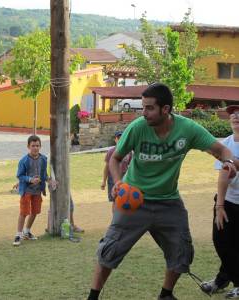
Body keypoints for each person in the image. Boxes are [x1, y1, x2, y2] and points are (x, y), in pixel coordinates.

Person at [87, 83, 238, 300]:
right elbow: (115, 158)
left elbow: (220, 150)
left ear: (165, 109)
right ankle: (93, 296)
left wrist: (229, 161)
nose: (143, 113)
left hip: (168, 201)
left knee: (182, 250)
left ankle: (166, 294)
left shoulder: (187, 129)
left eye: (149, 108)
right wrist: (119, 182)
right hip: (134, 201)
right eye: (143, 107)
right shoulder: (138, 127)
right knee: (110, 249)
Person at [201, 105, 239, 299]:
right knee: (223, 242)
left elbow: (232, 167)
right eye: (233, 113)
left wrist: (233, 163)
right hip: (229, 202)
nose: (236, 116)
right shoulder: (226, 143)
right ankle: (223, 279)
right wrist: (220, 205)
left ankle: (230, 282)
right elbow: (224, 174)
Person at [13, 135, 48, 246]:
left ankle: (27, 232)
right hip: (26, 190)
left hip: (38, 191)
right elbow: (19, 175)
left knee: (35, 211)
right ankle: (18, 235)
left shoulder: (43, 159)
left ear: (40, 146)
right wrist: (30, 179)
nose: (35, 148)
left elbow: (44, 174)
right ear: (28, 146)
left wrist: (49, 180)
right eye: (33, 146)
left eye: (37, 146)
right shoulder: (24, 160)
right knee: (24, 212)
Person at [101, 131, 132, 211]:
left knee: (125, 197)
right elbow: (106, 167)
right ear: (115, 139)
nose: (120, 139)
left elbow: (131, 166)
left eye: (122, 137)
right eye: (118, 138)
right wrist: (104, 181)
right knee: (115, 199)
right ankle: (115, 218)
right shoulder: (111, 151)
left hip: (125, 177)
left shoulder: (128, 151)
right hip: (112, 178)